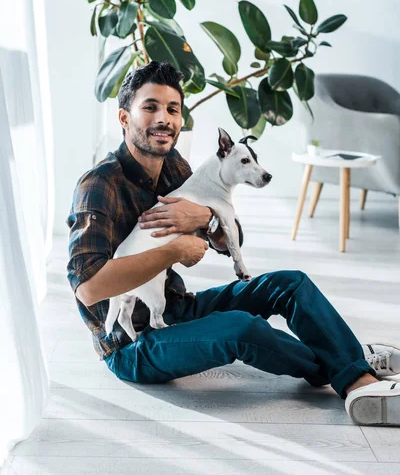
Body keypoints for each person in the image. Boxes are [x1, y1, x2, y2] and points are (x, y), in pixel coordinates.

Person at [66, 61, 400, 427]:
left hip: (177, 310)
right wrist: (174, 250)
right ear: (124, 118)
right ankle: (356, 374)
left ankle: (348, 360)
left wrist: (204, 218)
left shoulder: (173, 165)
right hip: (134, 345)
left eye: (173, 109)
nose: (164, 118)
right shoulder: (98, 186)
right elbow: (89, 289)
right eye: (150, 107)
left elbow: (227, 239)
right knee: (240, 328)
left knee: (290, 283)